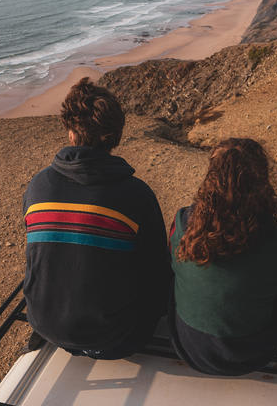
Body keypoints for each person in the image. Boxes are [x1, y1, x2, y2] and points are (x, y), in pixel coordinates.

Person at [22, 77, 169, 359]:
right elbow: (156, 272)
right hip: (116, 338)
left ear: (69, 131)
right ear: (116, 135)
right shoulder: (136, 194)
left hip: (45, 324)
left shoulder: (38, 185)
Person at [168, 138, 277, 375]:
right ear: (261, 179)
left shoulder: (183, 221)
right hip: (256, 353)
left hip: (191, 348)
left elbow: (172, 257)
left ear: (211, 178)